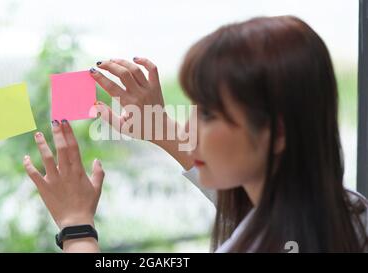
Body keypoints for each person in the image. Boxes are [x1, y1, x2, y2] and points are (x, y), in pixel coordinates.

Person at [23, 15, 368, 252]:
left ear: (277, 133)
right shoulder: (351, 214)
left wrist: (76, 226)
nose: (187, 126)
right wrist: (160, 129)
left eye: (208, 113)